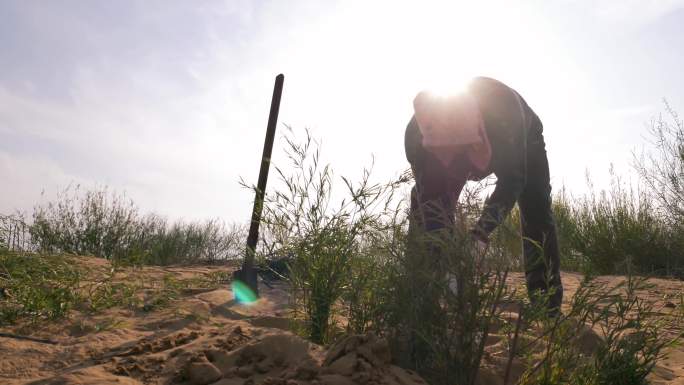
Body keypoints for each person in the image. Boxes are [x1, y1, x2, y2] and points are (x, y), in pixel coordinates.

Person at [404, 76, 563, 312]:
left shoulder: (505, 113)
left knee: (536, 209)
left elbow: (512, 181)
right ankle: (419, 301)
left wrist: (479, 235)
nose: (452, 163)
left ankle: (545, 303)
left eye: (458, 151)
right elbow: (433, 209)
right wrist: (447, 262)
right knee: (423, 211)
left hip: (524, 140)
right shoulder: (416, 140)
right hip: (459, 154)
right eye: (444, 154)